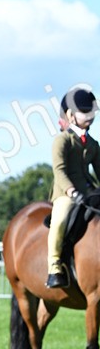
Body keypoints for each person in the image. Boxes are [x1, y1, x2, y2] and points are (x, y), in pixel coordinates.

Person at [46, 85, 100, 289]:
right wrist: (71, 191)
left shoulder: (93, 143)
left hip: (88, 191)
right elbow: (59, 170)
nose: (90, 117)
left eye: (92, 112)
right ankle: (54, 266)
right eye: (85, 113)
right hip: (66, 194)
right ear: (70, 114)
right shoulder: (62, 140)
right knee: (59, 221)